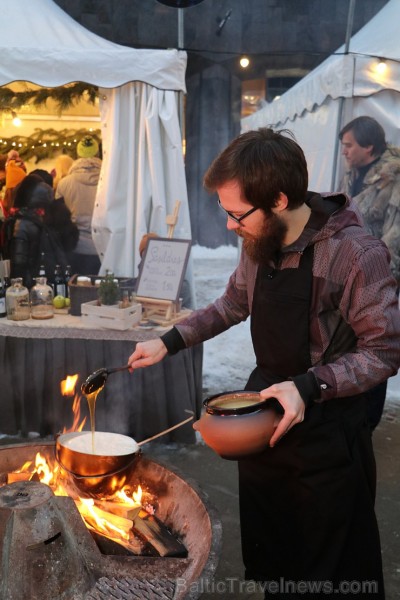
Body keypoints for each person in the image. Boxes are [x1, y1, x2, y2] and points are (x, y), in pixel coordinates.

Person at [127, 128, 400, 598]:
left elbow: (385, 349)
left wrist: (311, 386)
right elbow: (233, 303)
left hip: (326, 434)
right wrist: (169, 341)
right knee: (275, 554)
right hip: (265, 424)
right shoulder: (260, 239)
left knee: (327, 568)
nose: (231, 226)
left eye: (237, 215)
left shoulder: (355, 255)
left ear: (277, 199)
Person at [339, 115, 400, 430]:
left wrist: (378, 279)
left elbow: (396, 238)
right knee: (349, 349)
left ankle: (367, 421)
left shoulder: (395, 178)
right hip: (350, 280)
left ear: (370, 146)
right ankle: (351, 414)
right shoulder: (355, 173)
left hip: (378, 282)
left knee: (375, 350)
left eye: (349, 146)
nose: (345, 152)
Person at [5, 174, 75, 288]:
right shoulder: (24, 224)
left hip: (42, 284)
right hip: (34, 286)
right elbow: (18, 265)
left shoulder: (39, 222)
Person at [55, 135, 102, 275]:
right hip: (104, 246)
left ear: (78, 155)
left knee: (78, 291)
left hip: (76, 247)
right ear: (98, 153)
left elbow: (59, 219)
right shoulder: (109, 181)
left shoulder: (64, 184)